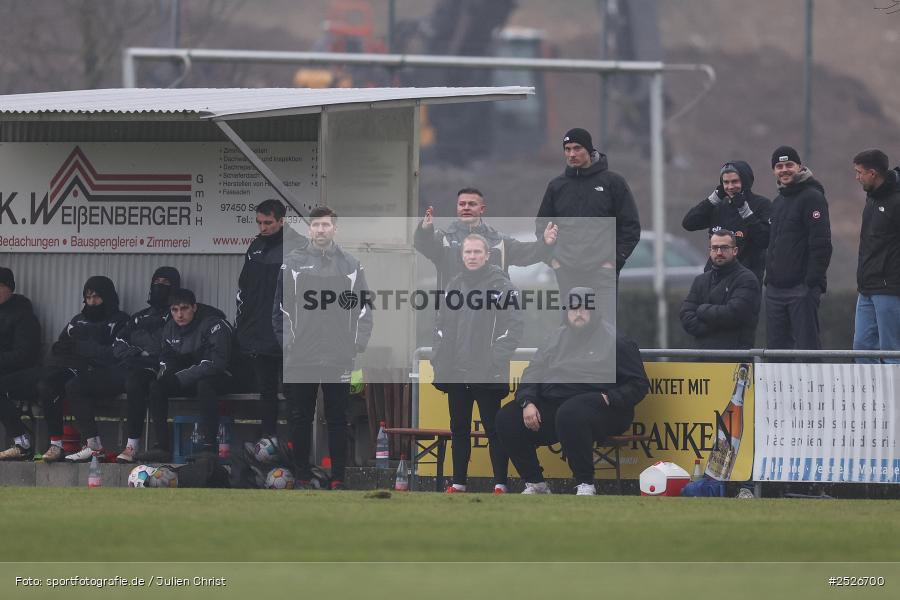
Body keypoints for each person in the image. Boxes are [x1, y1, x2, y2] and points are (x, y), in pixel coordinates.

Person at [495, 287, 649, 496]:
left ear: (594, 311)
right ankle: (536, 483)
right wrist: (527, 402)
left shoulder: (616, 340)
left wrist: (610, 397)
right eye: (573, 308)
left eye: (585, 308)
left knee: (570, 412)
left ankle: (586, 483)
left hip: (605, 409)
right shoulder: (553, 339)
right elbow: (532, 374)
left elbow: (638, 384)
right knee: (507, 417)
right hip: (557, 406)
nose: (579, 313)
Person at [275, 206, 373, 490]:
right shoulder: (292, 262)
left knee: (337, 418)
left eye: (326, 225)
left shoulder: (351, 264)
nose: (321, 230)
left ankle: (338, 477)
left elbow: (365, 308)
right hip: (302, 355)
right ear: (310, 229)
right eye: (316, 225)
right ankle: (302, 475)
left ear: (335, 229)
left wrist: (357, 343)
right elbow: (279, 308)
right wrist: (288, 343)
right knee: (300, 417)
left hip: (338, 355)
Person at [431, 234, 524, 494]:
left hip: (487, 373)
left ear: (487, 255)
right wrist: (441, 360)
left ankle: (500, 484)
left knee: (494, 430)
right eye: (467, 252)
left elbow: (514, 328)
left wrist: (493, 360)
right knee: (458, 429)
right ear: (462, 256)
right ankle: (459, 483)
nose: (472, 257)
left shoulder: (502, 286)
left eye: (476, 252)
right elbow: (439, 327)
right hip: (457, 372)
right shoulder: (454, 285)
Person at [236, 199, 308, 446]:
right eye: (259, 222)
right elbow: (244, 288)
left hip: (287, 335)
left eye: (268, 222)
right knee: (266, 391)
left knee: (293, 395)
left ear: (281, 220)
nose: (262, 227)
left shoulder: (299, 246)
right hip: (258, 333)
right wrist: (243, 324)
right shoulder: (256, 246)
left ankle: (295, 446)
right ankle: (269, 442)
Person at [535, 128, 641, 295]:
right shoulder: (556, 186)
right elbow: (543, 227)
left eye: (577, 148)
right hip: (567, 272)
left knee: (604, 321)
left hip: (603, 272)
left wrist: (614, 261)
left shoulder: (613, 182)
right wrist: (553, 260)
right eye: (567, 149)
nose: (572, 154)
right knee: (572, 320)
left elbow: (630, 227)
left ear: (589, 150)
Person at [39, 276, 130, 462]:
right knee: (46, 386)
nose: (92, 302)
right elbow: (60, 346)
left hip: (104, 373)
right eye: (88, 297)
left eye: (97, 297)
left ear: (108, 297)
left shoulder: (121, 320)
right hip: (75, 367)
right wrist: (71, 350)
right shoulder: (78, 320)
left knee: (75, 385)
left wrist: (83, 347)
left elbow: (114, 354)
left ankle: (93, 445)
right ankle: (56, 445)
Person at [415, 187, 557, 290]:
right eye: (462, 204)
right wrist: (425, 230)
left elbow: (527, 254)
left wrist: (545, 243)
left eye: (472, 204)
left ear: (482, 209)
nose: (466, 208)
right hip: (452, 317)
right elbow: (423, 246)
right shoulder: (443, 240)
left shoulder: (499, 241)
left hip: (491, 317)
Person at [106, 267, 181, 463]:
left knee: (135, 383)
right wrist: (139, 350)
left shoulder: (175, 315)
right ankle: (90, 445)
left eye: (166, 283)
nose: (160, 287)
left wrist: (139, 339)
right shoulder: (139, 316)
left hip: (156, 369)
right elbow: (119, 344)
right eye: (157, 282)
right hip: (129, 364)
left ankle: (132, 445)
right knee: (78, 384)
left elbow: (162, 346)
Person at [148, 288, 233, 458]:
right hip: (188, 378)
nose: (180, 314)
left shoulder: (214, 323)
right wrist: (168, 377)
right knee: (157, 386)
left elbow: (216, 364)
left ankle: (209, 448)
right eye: (174, 310)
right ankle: (162, 447)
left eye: (184, 308)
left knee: (205, 385)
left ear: (194, 307)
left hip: (225, 376)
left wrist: (179, 378)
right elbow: (166, 360)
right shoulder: (170, 329)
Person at [764, 146, 832, 350]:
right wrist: (770, 280)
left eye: (789, 165)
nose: (784, 170)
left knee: (807, 350)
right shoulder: (777, 202)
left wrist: (810, 283)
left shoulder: (813, 197)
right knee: (776, 353)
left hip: (801, 290)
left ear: (799, 166)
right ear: (774, 170)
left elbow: (821, 244)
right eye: (779, 166)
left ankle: (813, 385)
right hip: (775, 291)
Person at [681, 160, 772, 283]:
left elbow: (764, 240)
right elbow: (688, 223)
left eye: (735, 181)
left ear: (745, 181)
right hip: (714, 279)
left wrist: (744, 211)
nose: (730, 187)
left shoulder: (762, 204)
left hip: (745, 281)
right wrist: (713, 199)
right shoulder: (719, 206)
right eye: (726, 182)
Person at [852, 149, 900, 363]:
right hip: (866, 288)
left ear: (872, 173)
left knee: (891, 350)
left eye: (859, 172)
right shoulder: (871, 199)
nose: (857, 177)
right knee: (861, 348)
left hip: (889, 288)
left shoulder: (896, 201)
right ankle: (869, 396)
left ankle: (894, 396)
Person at [679, 231, 761, 351]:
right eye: (715, 248)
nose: (719, 252)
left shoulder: (747, 279)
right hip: (700, 358)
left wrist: (702, 310)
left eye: (724, 248)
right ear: (710, 250)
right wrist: (717, 326)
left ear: (735, 251)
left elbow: (733, 314)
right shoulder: (700, 280)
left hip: (734, 359)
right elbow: (686, 316)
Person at [0, 268, 42, 460]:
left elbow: (25, 355)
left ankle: (21, 441)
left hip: (25, 374)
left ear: (10, 288)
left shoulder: (24, 315)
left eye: (0, 286)